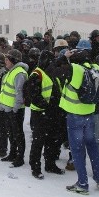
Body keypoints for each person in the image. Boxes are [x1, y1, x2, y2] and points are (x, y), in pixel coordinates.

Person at [54, 41, 99, 195]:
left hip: (75, 115)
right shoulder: (95, 68)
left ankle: (82, 183)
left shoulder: (74, 69)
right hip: (90, 112)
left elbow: (55, 71)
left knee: (77, 149)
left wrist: (64, 57)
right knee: (93, 146)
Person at [27, 50, 62, 179]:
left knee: (52, 140)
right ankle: (35, 167)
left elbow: (57, 92)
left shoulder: (53, 74)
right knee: (38, 141)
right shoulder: (37, 74)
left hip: (53, 113)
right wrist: (46, 107)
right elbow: (34, 95)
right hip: (40, 113)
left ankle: (50, 164)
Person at [0, 49, 28, 167]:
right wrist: (1, 105)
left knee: (18, 134)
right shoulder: (10, 71)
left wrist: (15, 109)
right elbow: (4, 90)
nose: (5, 61)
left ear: (13, 60)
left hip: (15, 110)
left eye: (7, 59)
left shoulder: (19, 73)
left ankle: (20, 157)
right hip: (7, 108)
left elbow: (19, 93)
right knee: (11, 133)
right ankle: (12, 153)